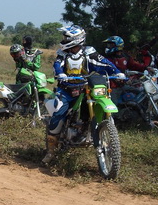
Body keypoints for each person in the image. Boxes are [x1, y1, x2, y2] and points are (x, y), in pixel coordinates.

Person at [43, 25, 123, 164]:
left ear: (76, 39)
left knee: (97, 100)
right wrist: (60, 74)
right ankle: (50, 151)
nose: (64, 40)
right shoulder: (63, 54)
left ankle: (91, 129)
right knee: (59, 113)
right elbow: (57, 65)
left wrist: (117, 72)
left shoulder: (89, 53)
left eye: (67, 38)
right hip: (66, 90)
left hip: (85, 88)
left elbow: (104, 63)